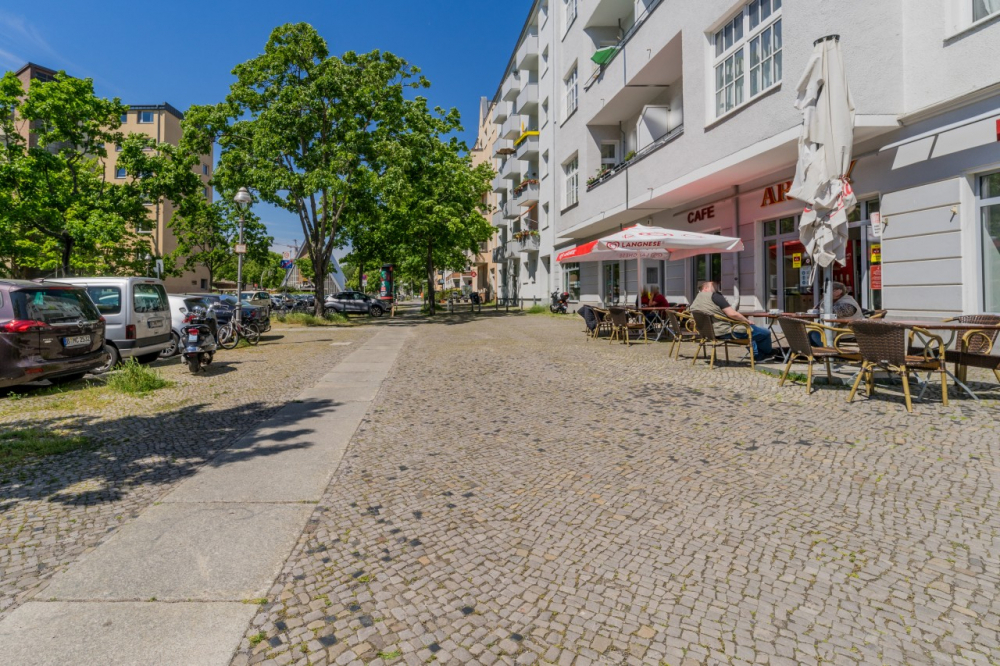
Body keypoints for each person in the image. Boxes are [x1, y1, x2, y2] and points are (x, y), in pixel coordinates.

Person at [690, 281, 775, 361]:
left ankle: (758, 354)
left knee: (751, 331)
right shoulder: (715, 296)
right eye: (713, 285)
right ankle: (766, 354)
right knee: (765, 333)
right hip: (724, 331)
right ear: (705, 288)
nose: (716, 287)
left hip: (709, 333)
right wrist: (747, 320)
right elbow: (732, 314)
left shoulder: (697, 300)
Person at [809, 282, 862, 346]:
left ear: (839, 292)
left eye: (827, 290)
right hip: (836, 334)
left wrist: (825, 300)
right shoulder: (837, 301)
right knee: (811, 333)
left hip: (847, 336)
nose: (824, 293)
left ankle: (824, 353)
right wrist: (825, 299)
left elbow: (829, 313)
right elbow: (815, 310)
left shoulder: (848, 304)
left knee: (812, 334)